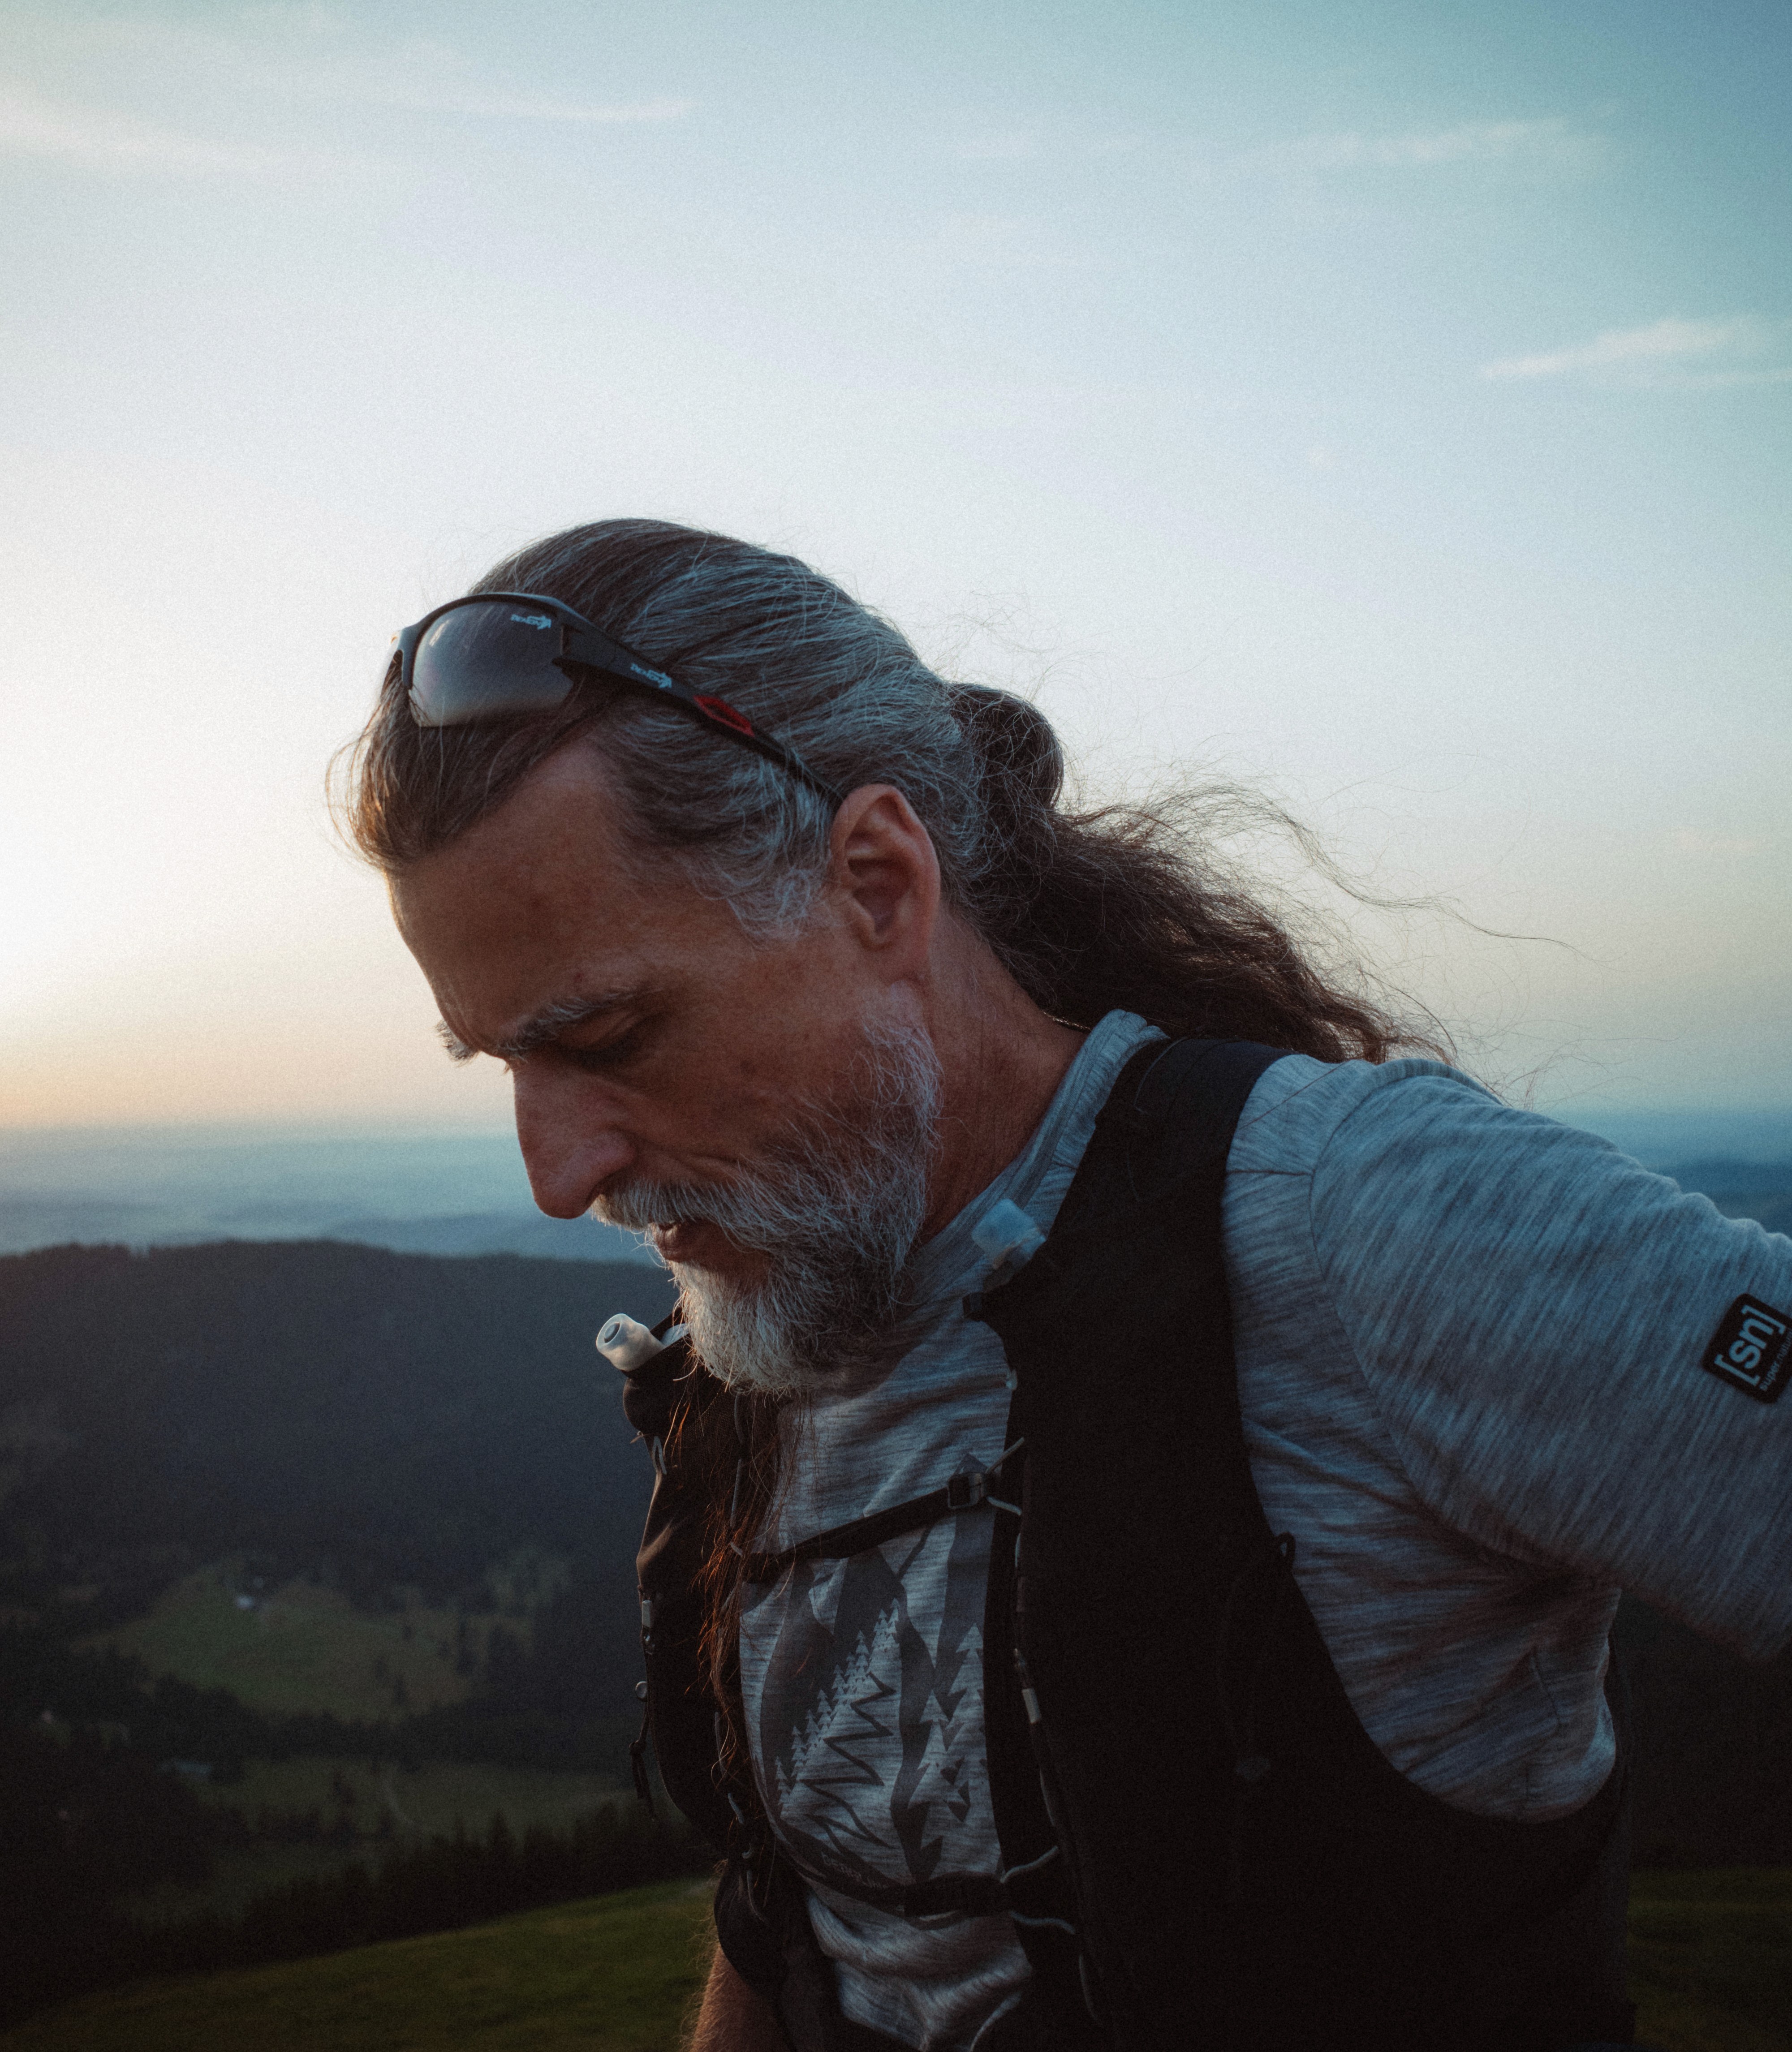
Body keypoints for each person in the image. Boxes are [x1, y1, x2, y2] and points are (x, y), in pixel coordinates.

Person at [343, 518, 1792, 2052]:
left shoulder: (1350, 1222)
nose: (556, 1171)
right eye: (508, 1062)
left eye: (611, 1037)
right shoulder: (778, 1322)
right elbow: (806, 1919)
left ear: (880, 883)